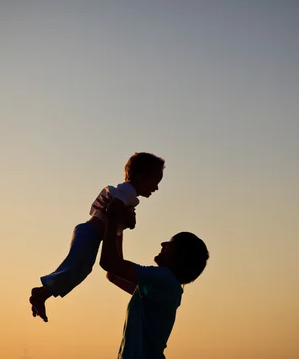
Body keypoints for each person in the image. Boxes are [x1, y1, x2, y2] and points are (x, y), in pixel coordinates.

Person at [30, 152, 165, 323]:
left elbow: (117, 216)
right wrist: (127, 217)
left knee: (80, 270)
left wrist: (128, 220)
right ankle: (41, 293)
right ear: (142, 177)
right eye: (156, 181)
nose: (157, 188)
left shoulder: (128, 195)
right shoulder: (128, 190)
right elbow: (112, 210)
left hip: (91, 235)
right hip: (90, 233)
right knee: (74, 269)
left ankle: (43, 294)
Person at [100, 201, 209, 359]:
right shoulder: (159, 288)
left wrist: (113, 218)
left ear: (180, 257)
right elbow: (113, 273)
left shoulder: (164, 279)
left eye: (170, 244)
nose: (163, 244)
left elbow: (109, 263)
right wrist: (119, 226)